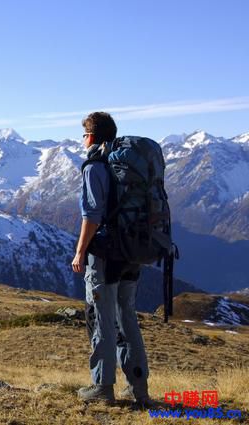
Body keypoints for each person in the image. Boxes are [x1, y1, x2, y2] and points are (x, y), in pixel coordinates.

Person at [71, 112, 150, 406]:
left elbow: (91, 215)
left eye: (84, 135)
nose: (83, 140)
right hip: (132, 252)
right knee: (127, 317)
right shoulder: (127, 164)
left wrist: (80, 251)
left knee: (102, 319)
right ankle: (139, 388)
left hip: (105, 253)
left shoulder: (95, 166)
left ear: (91, 137)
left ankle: (102, 387)